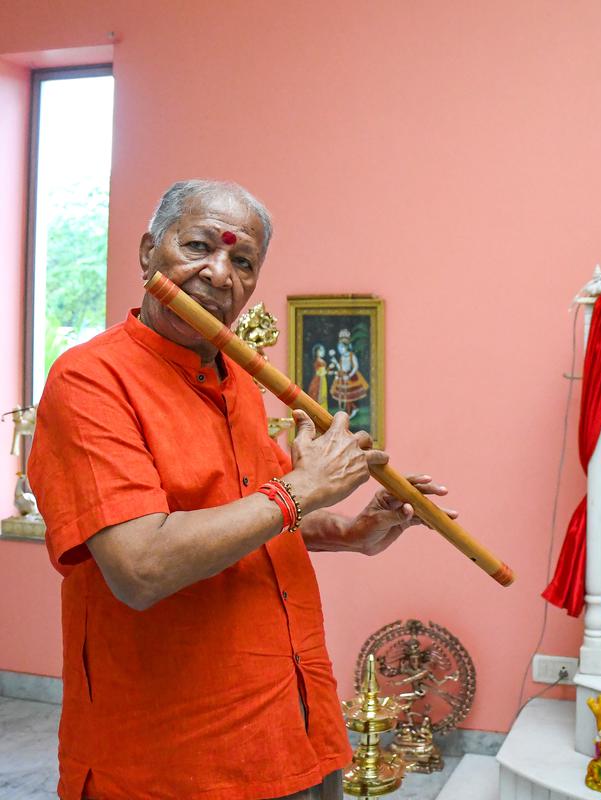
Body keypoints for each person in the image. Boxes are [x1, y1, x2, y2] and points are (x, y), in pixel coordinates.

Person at [28, 179, 452, 800]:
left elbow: (247, 520)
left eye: (242, 260)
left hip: (298, 727)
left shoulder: (240, 384)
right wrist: (302, 489)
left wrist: (352, 532)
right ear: (148, 252)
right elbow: (140, 565)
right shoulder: (90, 380)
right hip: (177, 760)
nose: (218, 273)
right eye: (199, 246)